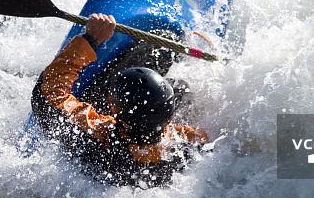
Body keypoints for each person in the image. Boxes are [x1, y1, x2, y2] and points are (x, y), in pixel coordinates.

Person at [31, 13, 209, 187]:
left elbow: (46, 95)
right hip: (137, 159)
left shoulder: (91, 139)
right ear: (169, 118)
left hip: (105, 165)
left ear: (123, 123)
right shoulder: (188, 146)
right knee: (180, 87)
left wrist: (91, 39)